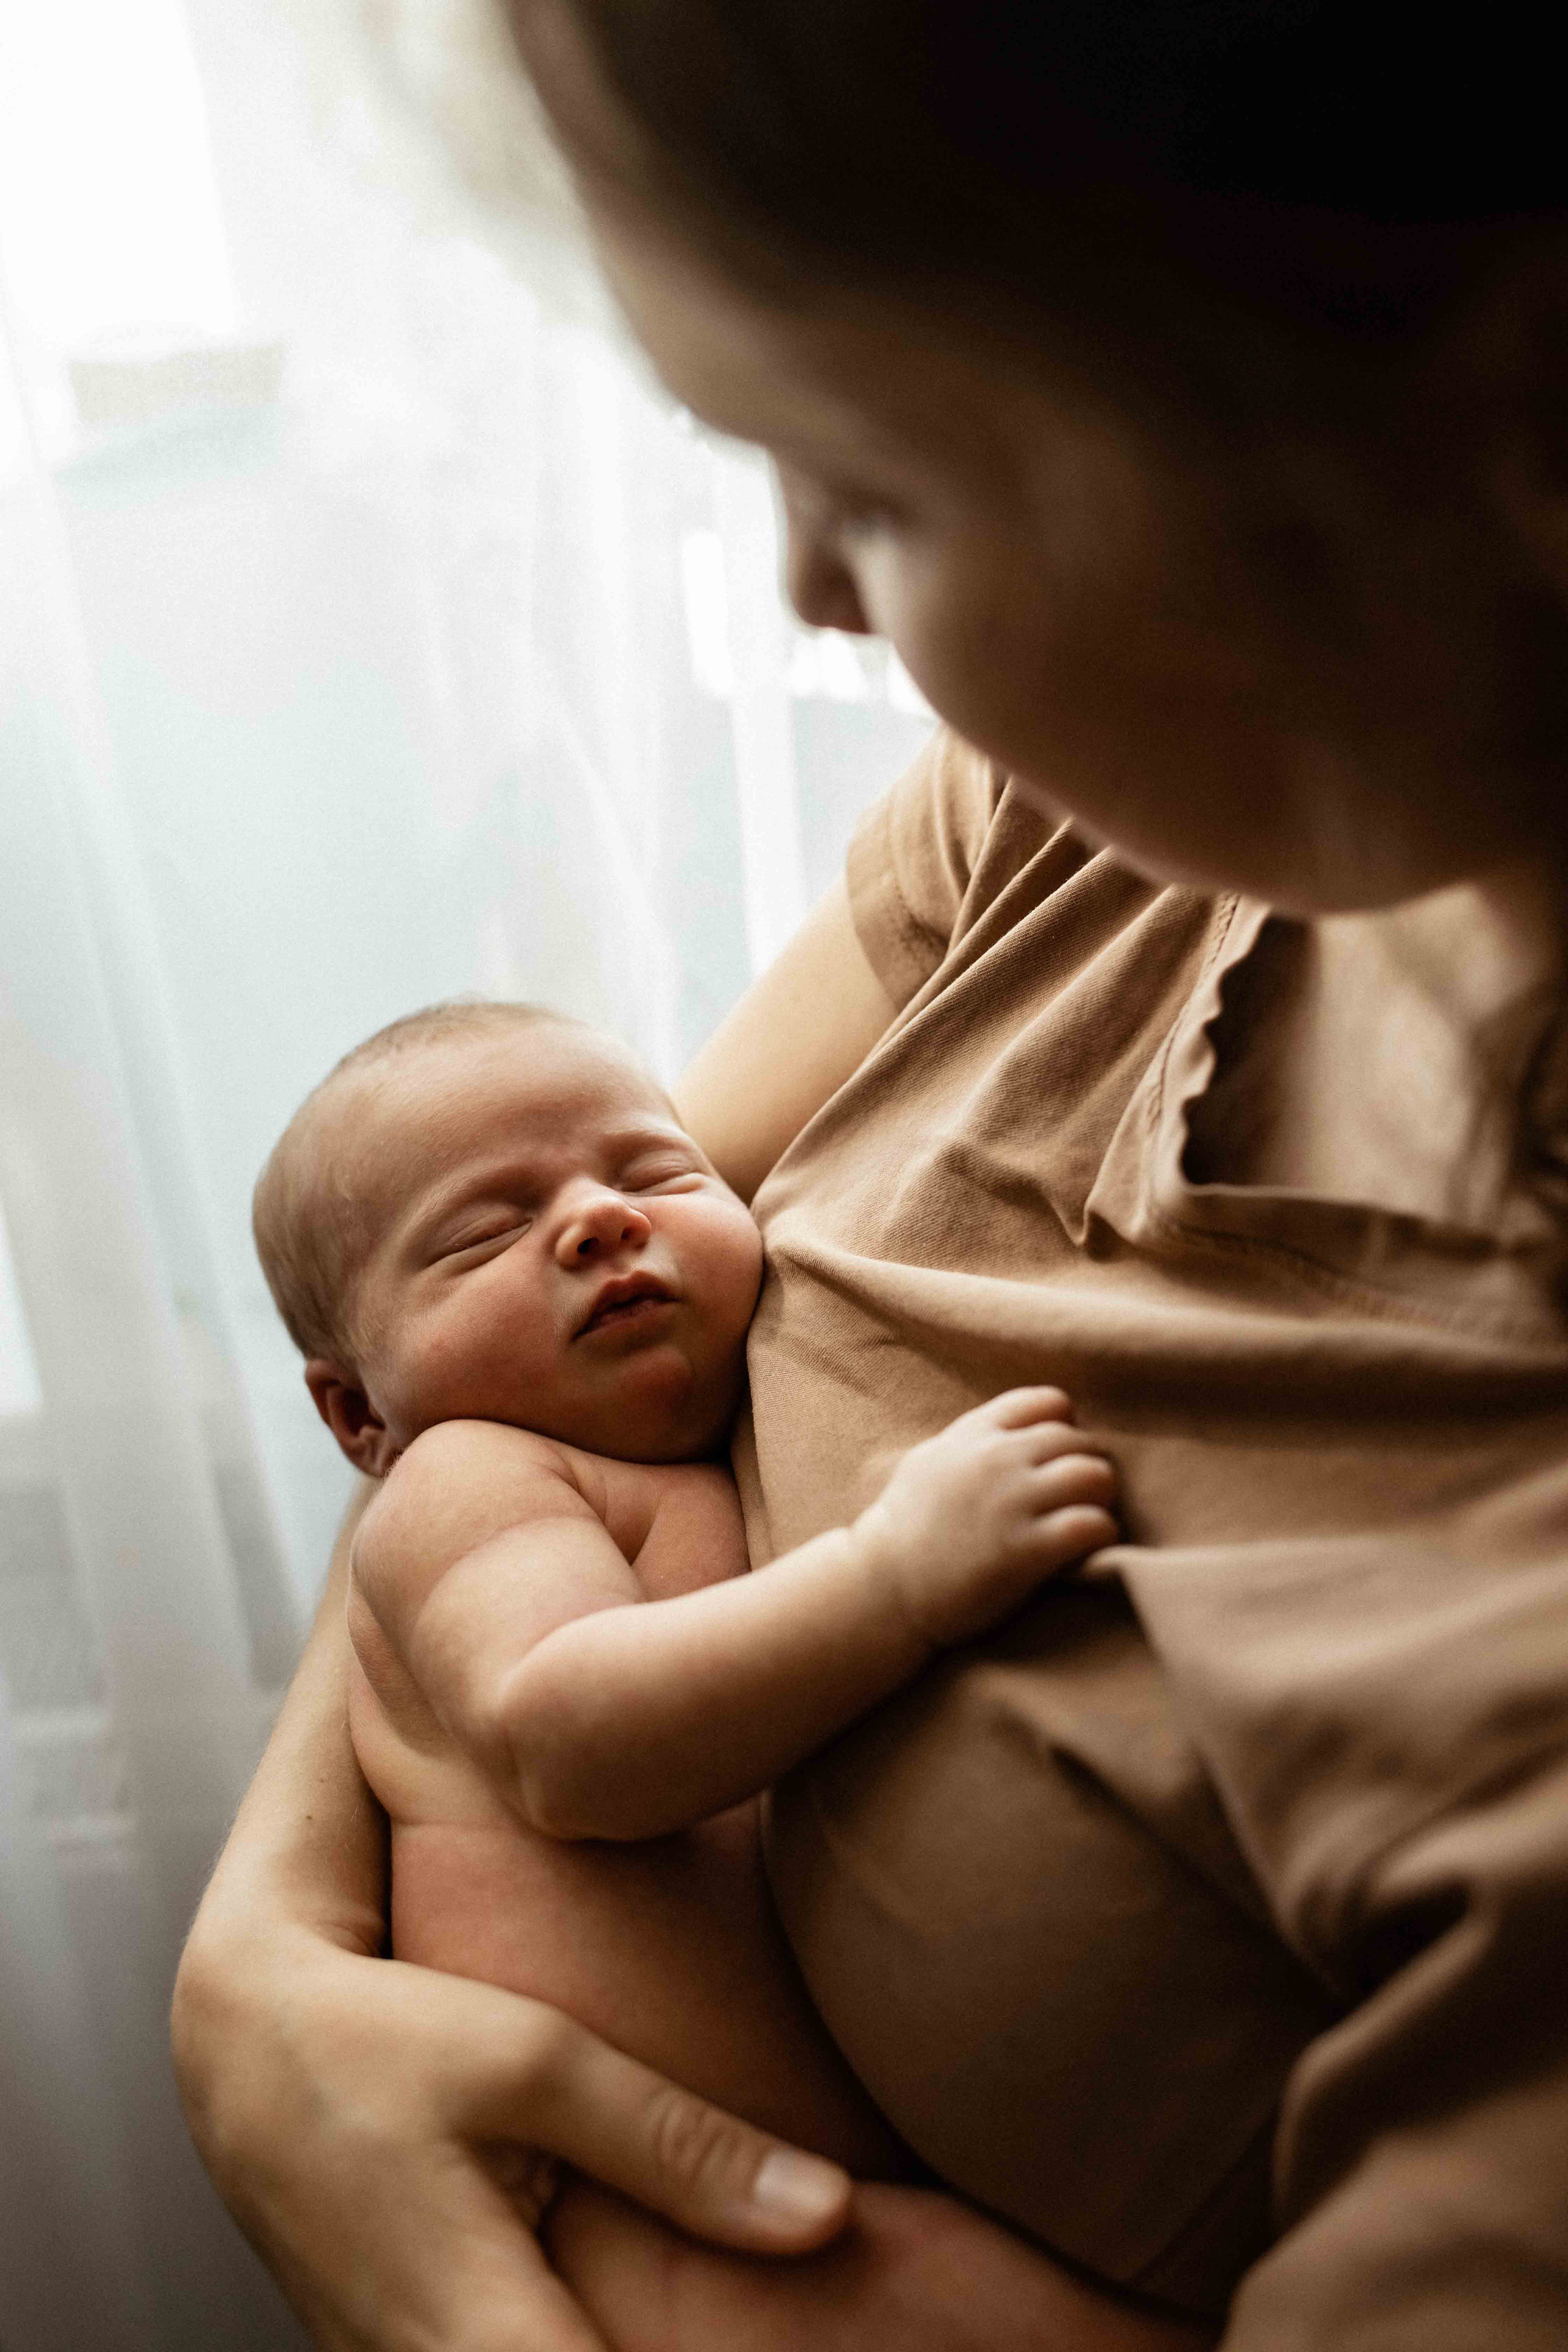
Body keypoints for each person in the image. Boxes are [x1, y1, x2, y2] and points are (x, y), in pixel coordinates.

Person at [172, 6, 1568, 2349]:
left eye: (880, 471)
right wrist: (267, 1975)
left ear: (1499, 432)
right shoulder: (1105, 808)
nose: (811, 593)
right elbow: (525, 1362)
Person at [252, 998, 1116, 2184]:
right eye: (481, 1235)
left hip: (837, 2180)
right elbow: (567, 1734)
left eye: (655, 1173)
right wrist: (895, 1573)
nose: (602, 1218)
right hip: (655, 2212)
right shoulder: (467, 1482)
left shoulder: (702, 1449)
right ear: (360, 1414)